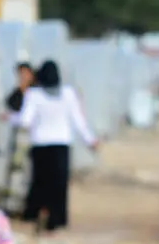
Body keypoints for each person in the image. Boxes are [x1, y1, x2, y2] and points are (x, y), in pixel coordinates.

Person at [12, 60, 97, 234]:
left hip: (40, 145)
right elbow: (78, 121)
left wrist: (10, 118)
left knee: (40, 182)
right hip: (61, 146)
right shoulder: (68, 94)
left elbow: (25, 121)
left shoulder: (34, 95)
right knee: (59, 184)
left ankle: (35, 214)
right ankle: (57, 219)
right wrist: (90, 140)